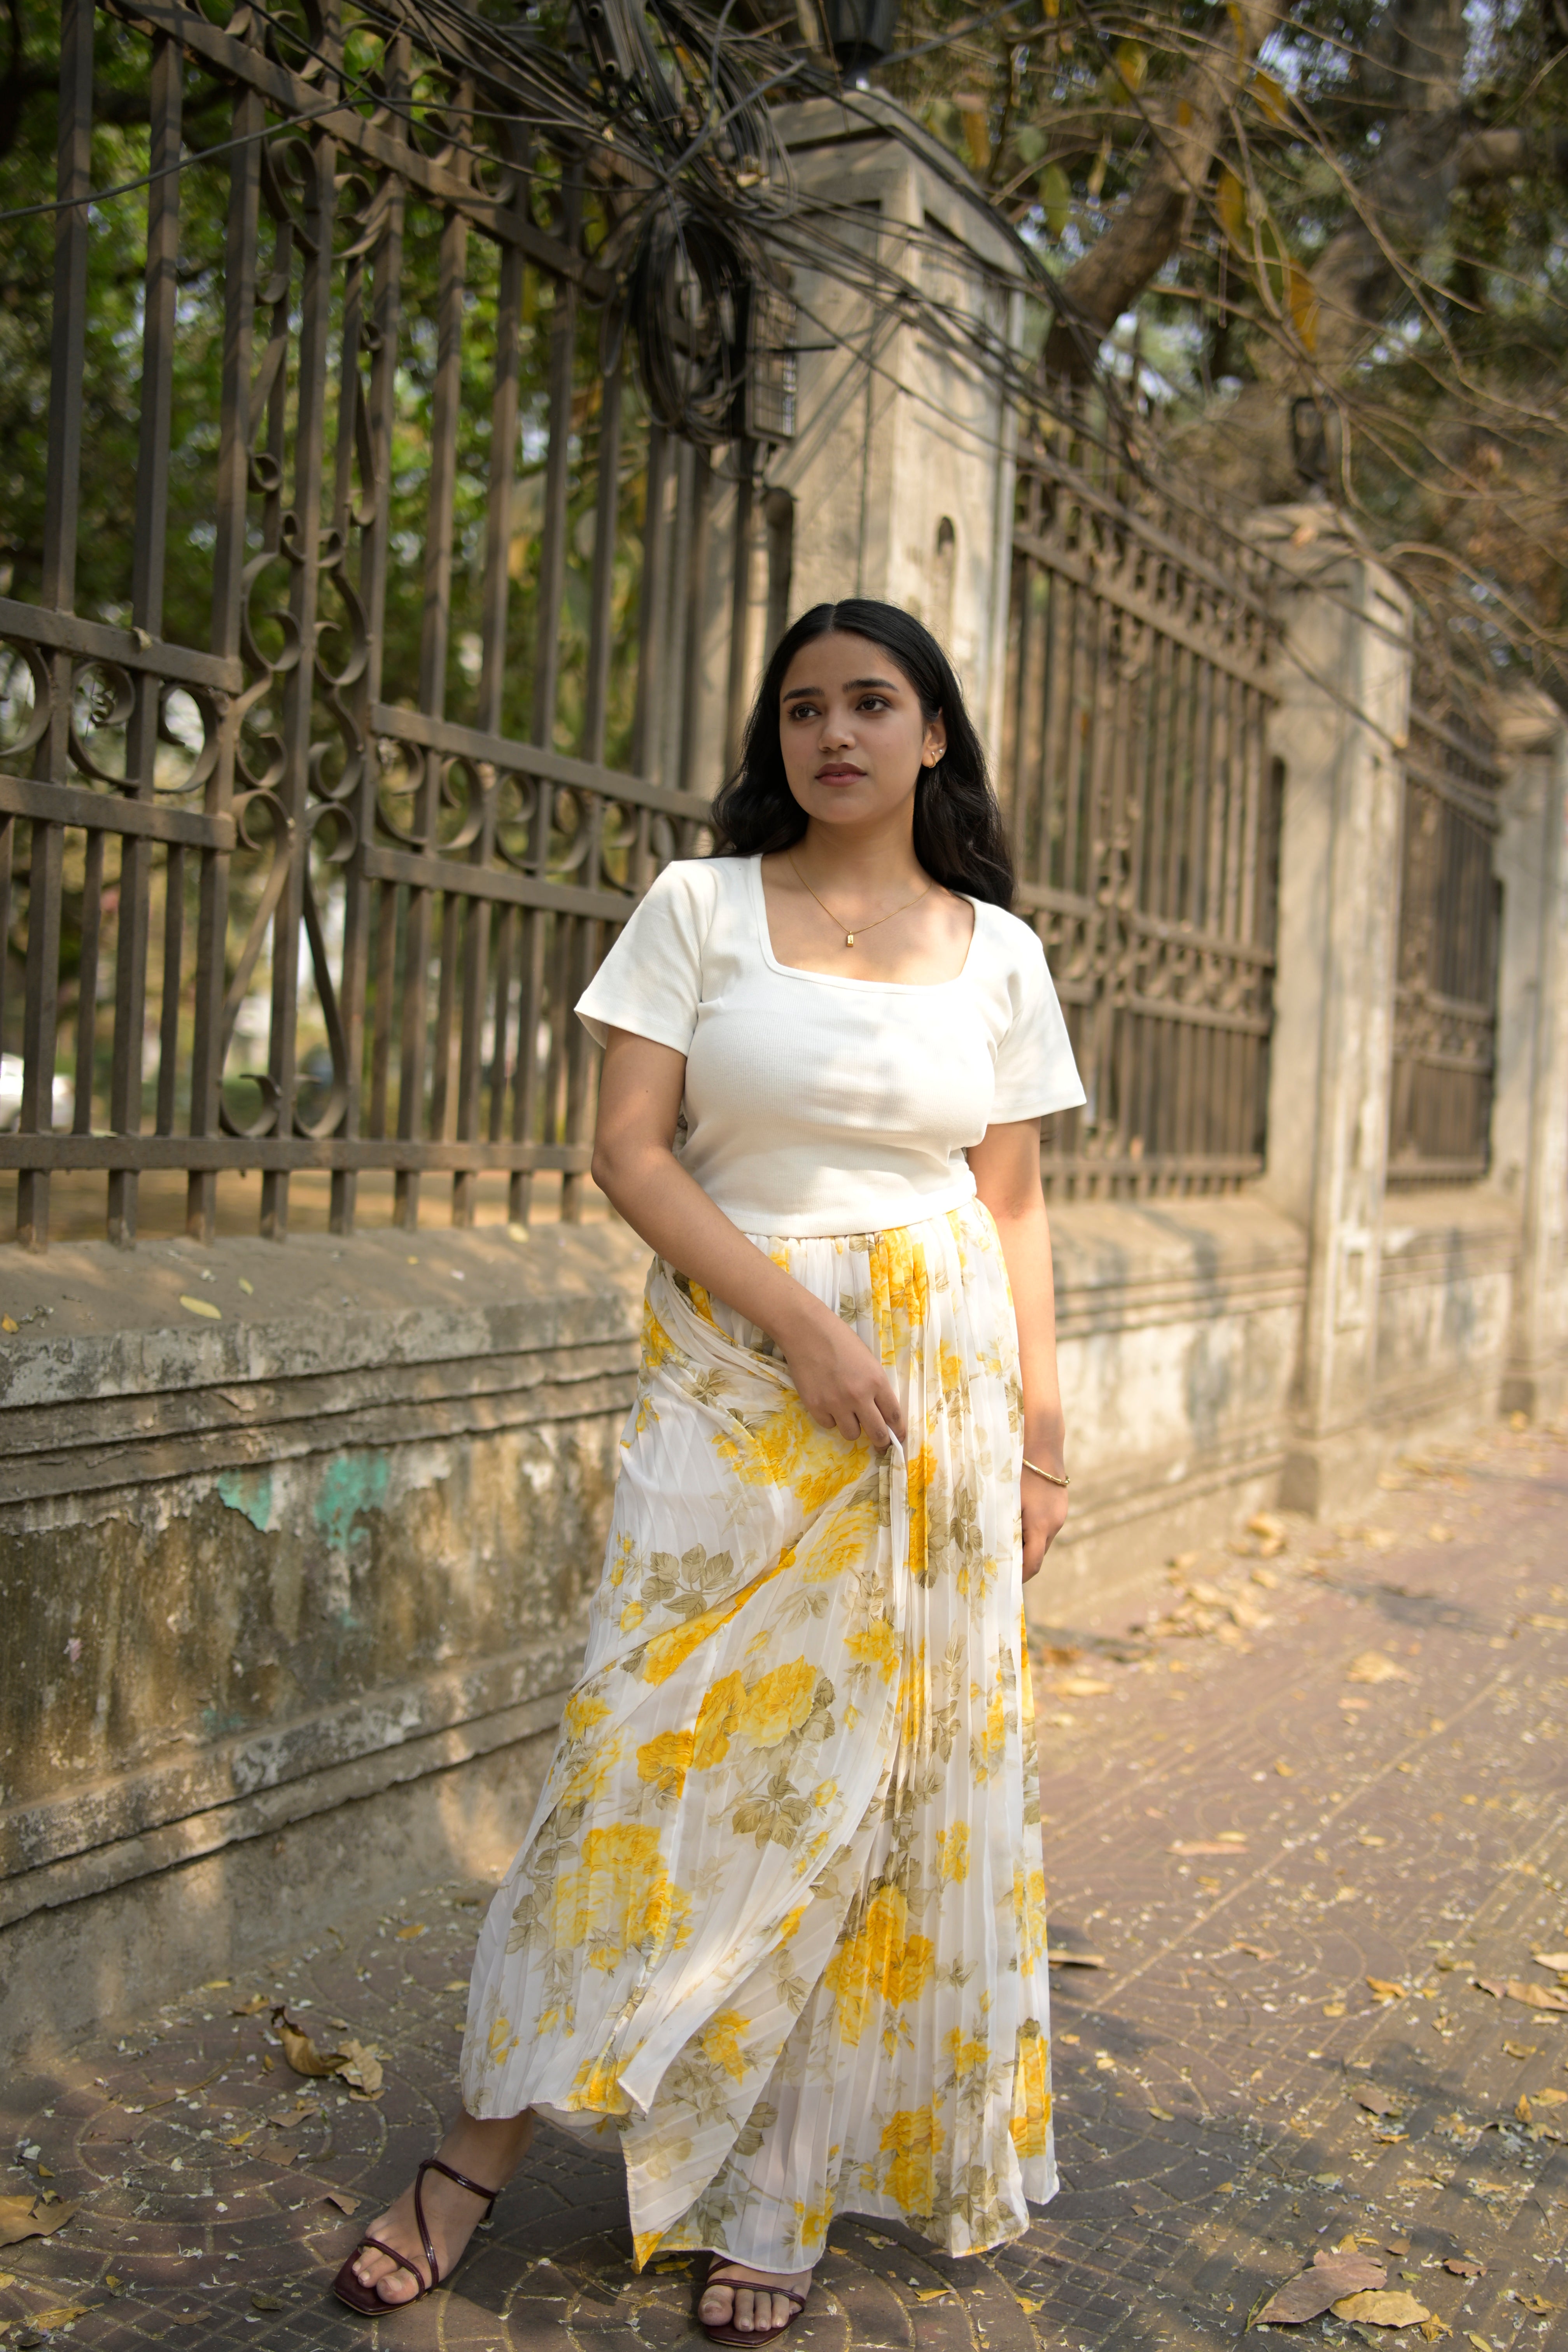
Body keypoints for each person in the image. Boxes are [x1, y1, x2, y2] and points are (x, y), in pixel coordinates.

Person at [335, 598, 1085, 2338]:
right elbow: (629, 1151)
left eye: (873, 703)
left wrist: (1045, 1452)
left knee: (871, 1794)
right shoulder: (696, 908)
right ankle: (475, 2154)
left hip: (938, 1415)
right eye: (806, 706)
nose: (836, 732)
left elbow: (1017, 1208)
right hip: (735, 1378)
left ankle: (778, 2187)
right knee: (635, 1758)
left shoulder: (998, 952)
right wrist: (803, 1331)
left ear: (933, 737)